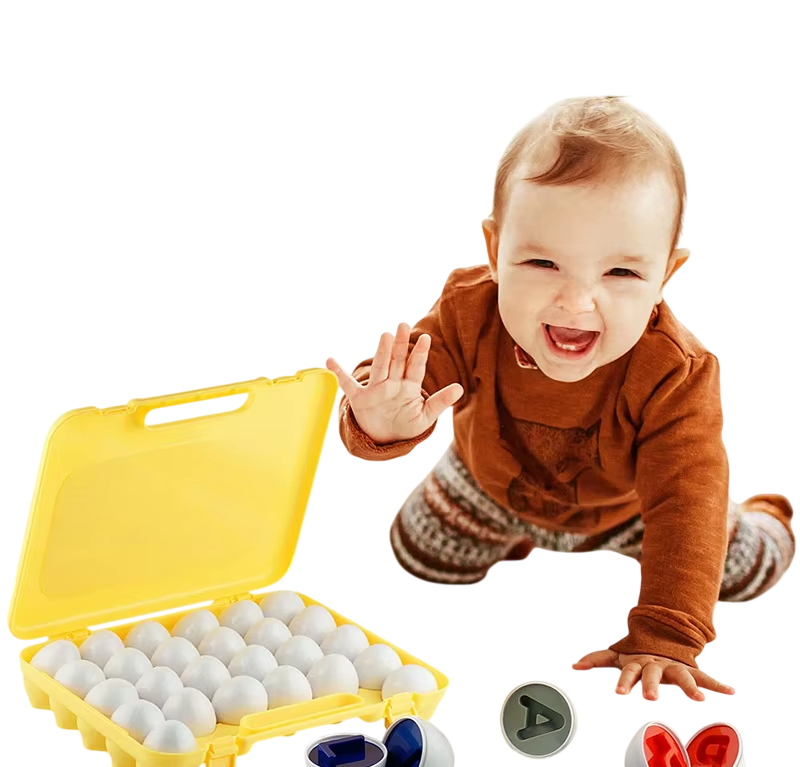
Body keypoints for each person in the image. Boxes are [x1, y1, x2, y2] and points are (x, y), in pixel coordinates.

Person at [325, 96, 794, 702]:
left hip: (630, 510)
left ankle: (767, 518)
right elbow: (410, 374)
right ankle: (520, 536)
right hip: (487, 486)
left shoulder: (676, 372)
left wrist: (666, 634)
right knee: (421, 556)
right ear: (495, 251)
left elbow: (685, 499)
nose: (576, 302)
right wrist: (381, 417)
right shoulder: (469, 310)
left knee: (741, 571)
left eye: (621, 273)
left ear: (664, 276)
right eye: (543, 262)